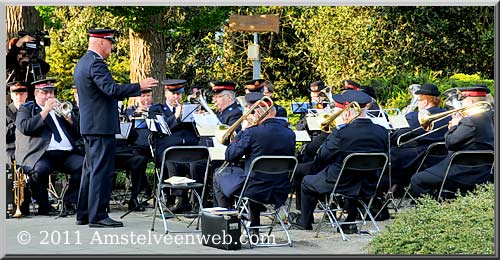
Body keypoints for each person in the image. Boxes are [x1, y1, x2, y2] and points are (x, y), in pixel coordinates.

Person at [74, 28, 158, 227]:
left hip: (91, 126)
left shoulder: (82, 62)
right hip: (100, 127)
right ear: (101, 42)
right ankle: (98, 216)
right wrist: (139, 85)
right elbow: (111, 89)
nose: (111, 49)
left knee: (90, 170)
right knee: (101, 171)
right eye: (110, 44)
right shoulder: (96, 64)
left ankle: (84, 213)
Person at [289, 90, 388, 233]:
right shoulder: (382, 131)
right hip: (368, 183)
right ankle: (350, 221)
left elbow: (322, 156)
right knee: (354, 176)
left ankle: (304, 221)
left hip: (340, 182)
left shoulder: (342, 133)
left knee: (307, 182)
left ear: (348, 111)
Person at [212, 92, 296, 230]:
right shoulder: (289, 133)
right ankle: (253, 226)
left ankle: (226, 223)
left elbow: (230, 155)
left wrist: (243, 130)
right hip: (279, 189)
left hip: (254, 190)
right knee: (255, 176)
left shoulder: (252, 132)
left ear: (256, 113)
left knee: (218, 174)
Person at [410, 85, 494, 198]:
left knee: (417, 180)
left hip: (463, 171)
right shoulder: (490, 117)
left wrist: (454, 126)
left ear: (471, 100)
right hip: (484, 171)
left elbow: (450, 143)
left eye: (463, 100)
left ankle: (432, 209)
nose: (461, 104)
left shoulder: (470, 121)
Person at [15, 78, 83, 216]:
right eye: (45, 93)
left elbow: (78, 132)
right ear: (36, 94)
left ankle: (69, 201)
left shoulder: (61, 109)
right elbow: (25, 127)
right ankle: (44, 206)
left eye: (51, 92)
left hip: (65, 153)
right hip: (41, 153)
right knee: (40, 170)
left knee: (85, 165)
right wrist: (45, 111)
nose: (49, 96)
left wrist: (69, 119)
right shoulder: (27, 108)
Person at [148, 79, 201, 213]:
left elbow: (197, 132)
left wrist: (199, 117)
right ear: (166, 93)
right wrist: (176, 116)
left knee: (199, 164)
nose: (176, 97)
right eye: (173, 94)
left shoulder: (189, 109)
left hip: (190, 150)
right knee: (172, 162)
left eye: (179, 94)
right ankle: (179, 199)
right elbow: (161, 130)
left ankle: (198, 200)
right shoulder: (157, 109)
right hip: (169, 151)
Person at [387, 84, 450, 191]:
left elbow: (397, 136)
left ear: (425, 102)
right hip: (441, 158)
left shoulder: (414, 116)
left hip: (420, 158)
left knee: (390, 154)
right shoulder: (448, 115)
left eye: (419, 100)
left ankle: (389, 187)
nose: (418, 103)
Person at [6, 35, 50, 100]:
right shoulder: (11, 64)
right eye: (19, 53)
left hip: (31, 98)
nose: (21, 56)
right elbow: (8, 60)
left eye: (24, 54)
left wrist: (30, 60)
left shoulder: (30, 63)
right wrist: (20, 42)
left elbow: (46, 68)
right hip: (17, 98)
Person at [6, 81, 29, 164]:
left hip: (31, 148)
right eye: (16, 94)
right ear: (11, 96)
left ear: (26, 95)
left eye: (22, 94)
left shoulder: (33, 110)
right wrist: (18, 123)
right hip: (12, 150)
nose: (19, 97)